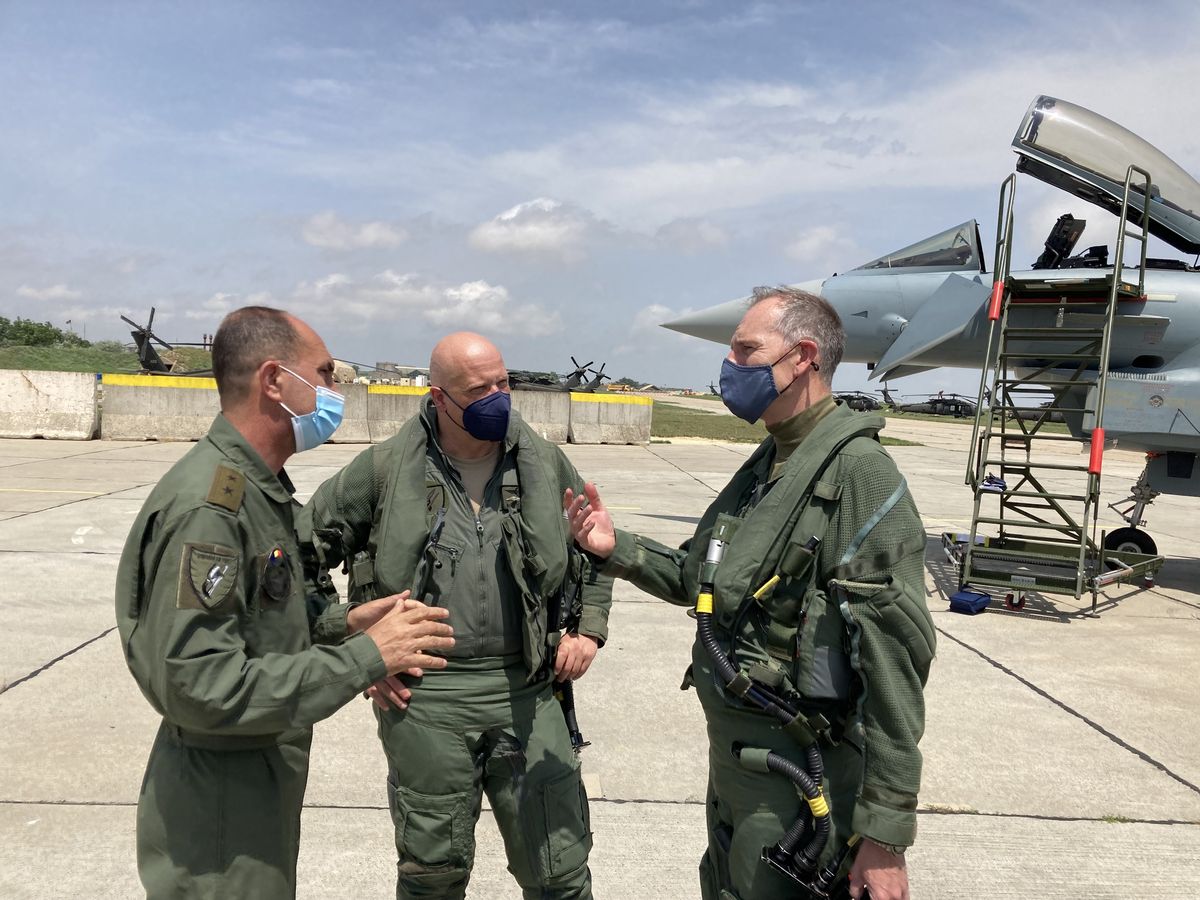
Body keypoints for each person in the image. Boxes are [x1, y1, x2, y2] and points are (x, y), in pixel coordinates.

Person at [565, 287, 934, 900]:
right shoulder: (773, 462)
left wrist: (884, 836)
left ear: (803, 357)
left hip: (799, 778)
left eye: (746, 350)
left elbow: (894, 668)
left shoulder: (859, 475)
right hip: (739, 769)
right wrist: (614, 546)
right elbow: (700, 580)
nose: (729, 366)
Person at [115, 306, 456, 899]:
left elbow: (256, 624)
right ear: (275, 381)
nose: (333, 391)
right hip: (223, 802)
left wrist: (343, 624)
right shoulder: (212, 510)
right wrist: (366, 658)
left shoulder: (256, 491)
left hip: (253, 779)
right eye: (323, 375)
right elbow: (199, 683)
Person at [298, 332, 613, 900]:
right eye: (479, 389)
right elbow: (295, 559)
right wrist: (357, 646)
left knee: (560, 871)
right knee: (432, 874)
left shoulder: (544, 463)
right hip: (426, 698)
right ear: (440, 397)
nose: (498, 397)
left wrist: (588, 628)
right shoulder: (382, 471)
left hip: (530, 688)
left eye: (503, 382)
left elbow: (595, 546)